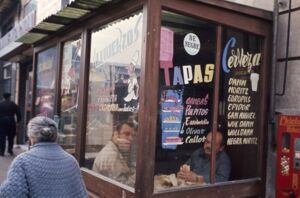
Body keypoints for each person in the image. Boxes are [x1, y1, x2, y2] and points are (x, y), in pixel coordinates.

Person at [0, 116, 88, 198]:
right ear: (55, 136)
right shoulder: (71, 161)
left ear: (31, 137)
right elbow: (82, 195)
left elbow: (11, 195)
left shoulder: (22, 161)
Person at [92, 120, 136, 186]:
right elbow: (123, 187)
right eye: (126, 134)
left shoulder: (116, 149)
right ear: (116, 135)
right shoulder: (111, 155)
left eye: (132, 135)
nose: (131, 138)